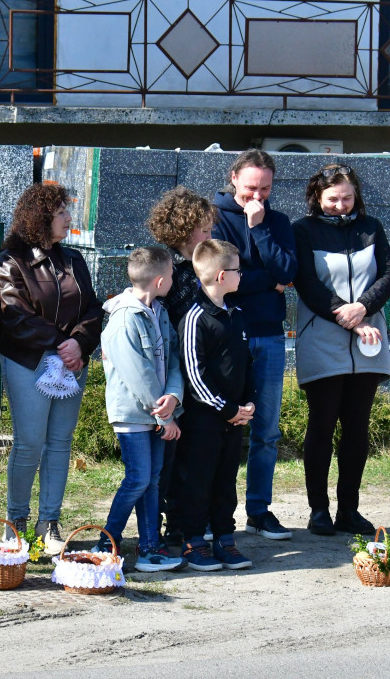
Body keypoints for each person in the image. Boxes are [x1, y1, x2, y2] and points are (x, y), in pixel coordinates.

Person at [0, 183, 103, 553]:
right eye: (61, 213)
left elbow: (93, 308)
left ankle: (49, 523)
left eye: (67, 211)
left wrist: (80, 343)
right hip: (30, 361)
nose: (69, 218)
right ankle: (16, 522)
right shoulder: (12, 261)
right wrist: (61, 343)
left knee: (60, 441)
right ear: (40, 218)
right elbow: (14, 316)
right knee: (30, 442)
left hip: (72, 361)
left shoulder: (74, 259)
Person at [292, 163, 390, 536]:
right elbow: (307, 283)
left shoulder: (372, 228)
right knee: (322, 424)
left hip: (368, 342)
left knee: (357, 428)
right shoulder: (303, 230)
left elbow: (388, 275)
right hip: (323, 339)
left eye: (347, 198)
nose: (341, 205)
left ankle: (348, 510)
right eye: (333, 199)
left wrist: (363, 308)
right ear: (317, 197)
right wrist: (347, 315)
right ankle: (318, 510)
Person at [213, 149, 297, 541]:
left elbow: (288, 271)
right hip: (230, 335)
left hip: (270, 334)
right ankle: (216, 514)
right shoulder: (215, 219)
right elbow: (222, 279)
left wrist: (260, 229)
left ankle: (259, 512)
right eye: (250, 188)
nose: (257, 196)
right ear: (234, 179)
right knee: (222, 427)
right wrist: (268, 280)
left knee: (266, 431)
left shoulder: (277, 222)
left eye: (265, 189)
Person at [94, 247, 186, 572]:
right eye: (172, 274)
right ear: (160, 281)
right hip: (133, 415)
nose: (174, 280)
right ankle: (106, 543)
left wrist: (173, 396)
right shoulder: (123, 319)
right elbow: (138, 374)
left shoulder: (160, 312)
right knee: (138, 479)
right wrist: (165, 415)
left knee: (152, 481)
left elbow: (173, 359)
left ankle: (149, 549)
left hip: (158, 413)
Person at [175, 239, 255, 571]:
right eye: (238, 270)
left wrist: (247, 404)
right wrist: (227, 409)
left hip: (233, 419)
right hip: (204, 421)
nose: (241, 275)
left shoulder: (237, 315)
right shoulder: (195, 318)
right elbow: (195, 375)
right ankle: (193, 541)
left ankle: (224, 538)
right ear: (222, 276)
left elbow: (246, 363)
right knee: (199, 481)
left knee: (226, 481)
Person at [145, 186, 214, 546]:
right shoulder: (165, 265)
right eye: (205, 229)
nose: (210, 235)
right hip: (170, 372)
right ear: (186, 230)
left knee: (192, 454)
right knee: (167, 456)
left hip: (199, 371)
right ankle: (160, 526)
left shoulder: (205, 264)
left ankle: (186, 521)